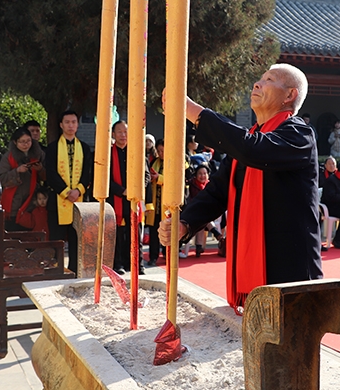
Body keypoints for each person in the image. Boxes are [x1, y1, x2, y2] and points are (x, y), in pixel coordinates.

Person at [158, 63, 323, 314]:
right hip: (253, 265)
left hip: (289, 266)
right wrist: (185, 223)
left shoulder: (299, 134)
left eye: (270, 79)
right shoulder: (248, 142)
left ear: (290, 95)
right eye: (260, 78)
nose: (258, 83)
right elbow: (217, 193)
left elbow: (254, 149)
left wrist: (193, 112)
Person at [45, 110, 92, 277]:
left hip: (78, 201)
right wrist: (66, 192)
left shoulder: (85, 148)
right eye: (67, 122)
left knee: (76, 239)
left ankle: (75, 270)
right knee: (56, 239)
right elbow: (50, 173)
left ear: (77, 125)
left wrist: (78, 190)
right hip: (57, 200)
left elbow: (87, 173)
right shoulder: (52, 148)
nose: (70, 125)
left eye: (73, 122)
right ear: (61, 125)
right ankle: (56, 271)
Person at [108, 120, 149, 275]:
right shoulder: (108, 153)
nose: (123, 135)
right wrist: (121, 190)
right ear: (113, 134)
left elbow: (146, 175)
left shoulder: (137, 152)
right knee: (117, 234)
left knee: (135, 233)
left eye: (126, 132)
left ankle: (138, 264)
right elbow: (104, 178)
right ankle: (118, 263)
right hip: (116, 199)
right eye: (119, 132)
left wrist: (137, 189)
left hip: (134, 199)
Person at [0, 127, 46, 231]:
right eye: (22, 142)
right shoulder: (8, 157)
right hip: (14, 203)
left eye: (28, 141)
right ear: (15, 142)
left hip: (33, 202)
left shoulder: (38, 154)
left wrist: (40, 169)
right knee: (14, 236)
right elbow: (1, 178)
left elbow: (47, 176)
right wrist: (17, 171)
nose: (26, 144)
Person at [185, 164, 224, 257]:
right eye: (200, 173)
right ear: (196, 175)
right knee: (201, 217)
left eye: (205, 173)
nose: (202, 176)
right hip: (192, 211)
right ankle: (215, 234)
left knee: (203, 218)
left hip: (208, 212)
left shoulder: (211, 185)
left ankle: (199, 245)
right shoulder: (191, 184)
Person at [146, 138, 165, 266]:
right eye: (158, 151)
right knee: (154, 231)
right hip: (156, 203)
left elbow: (178, 180)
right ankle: (153, 256)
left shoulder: (174, 162)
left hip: (166, 204)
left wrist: (159, 178)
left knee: (167, 231)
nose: (161, 153)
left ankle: (168, 254)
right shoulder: (155, 162)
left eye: (163, 150)